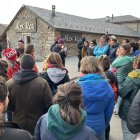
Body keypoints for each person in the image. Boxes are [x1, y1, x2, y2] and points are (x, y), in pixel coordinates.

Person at [7, 54, 52, 135]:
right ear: (33, 65)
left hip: (18, 125)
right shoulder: (42, 83)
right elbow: (49, 105)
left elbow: (8, 107)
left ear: (20, 65)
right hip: (37, 125)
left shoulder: (10, 83)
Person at [77, 56, 114, 140]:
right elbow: (108, 112)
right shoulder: (108, 87)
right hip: (99, 125)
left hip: (80, 125)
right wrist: (104, 124)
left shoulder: (76, 86)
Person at [118, 56, 140, 140]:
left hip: (129, 110)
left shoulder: (132, 77)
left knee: (127, 132)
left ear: (136, 63)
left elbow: (122, 92)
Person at [99, 55, 118, 140]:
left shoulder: (99, 76)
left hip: (101, 100)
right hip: (110, 100)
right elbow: (117, 87)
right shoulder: (112, 75)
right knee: (107, 120)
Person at [112, 44, 134, 114]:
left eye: (121, 49)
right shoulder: (131, 57)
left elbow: (113, 64)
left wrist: (119, 56)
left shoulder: (125, 58)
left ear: (126, 51)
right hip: (126, 79)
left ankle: (117, 110)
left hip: (120, 79)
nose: (119, 50)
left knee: (119, 96)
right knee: (121, 96)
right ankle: (117, 110)